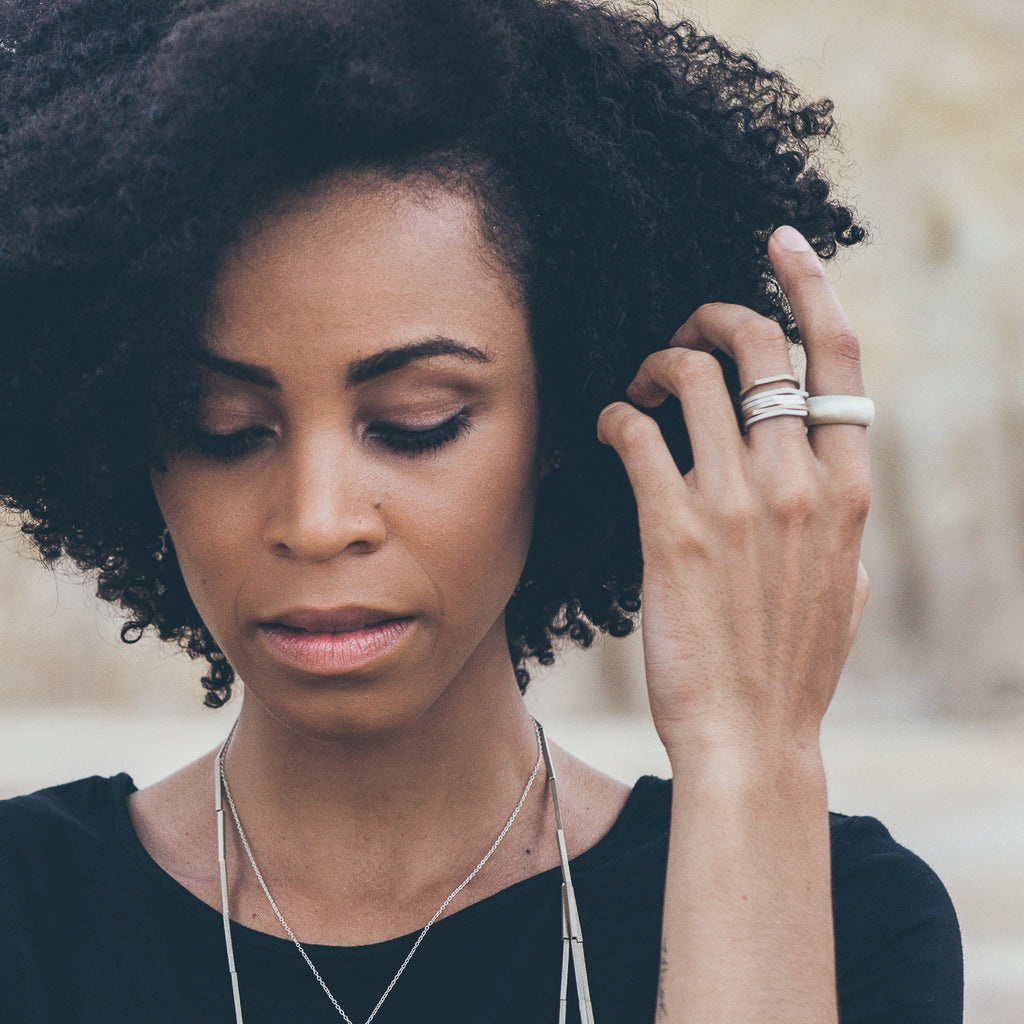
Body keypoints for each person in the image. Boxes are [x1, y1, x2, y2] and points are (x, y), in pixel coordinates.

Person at [0, 1, 962, 1022]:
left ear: (562, 414)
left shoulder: (847, 916)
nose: (319, 521)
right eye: (223, 427)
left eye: (416, 422)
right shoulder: (24, 918)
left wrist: (751, 755)